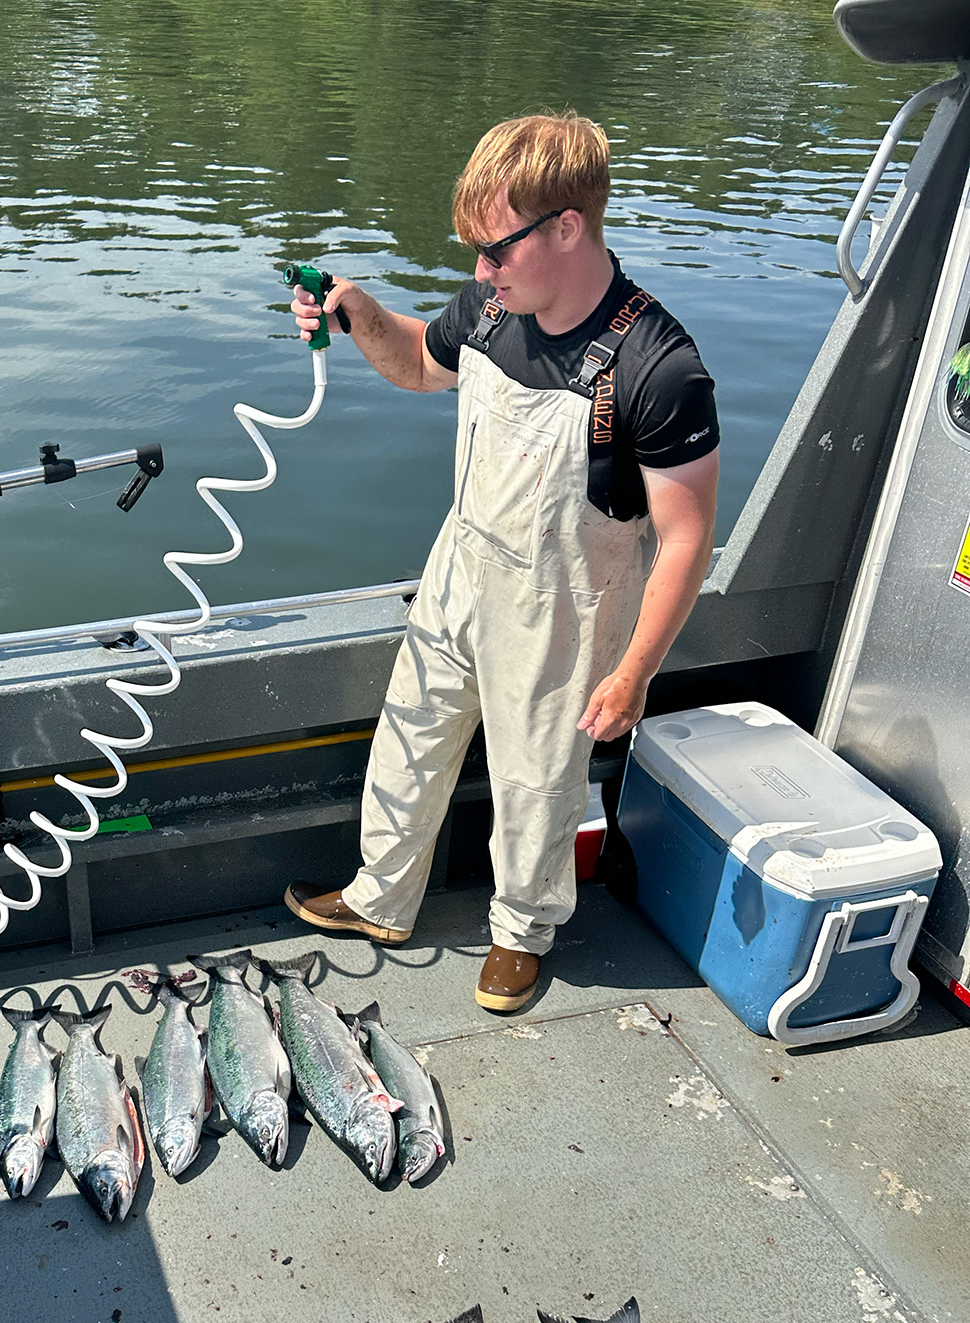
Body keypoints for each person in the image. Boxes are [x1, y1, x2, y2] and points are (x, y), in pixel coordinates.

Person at [283, 112, 719, 1012]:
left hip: (565, 605)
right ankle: (381, 898)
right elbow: (417, 363)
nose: (480, 270)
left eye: (495, 249)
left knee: (535, 782)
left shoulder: (658, 366)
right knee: (408, 738)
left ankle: (521, 931)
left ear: (568, 225)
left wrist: (635, 669)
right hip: (461, 567)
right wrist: (359, 312)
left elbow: (685, 538)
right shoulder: (490, 307)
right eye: (474, 250)